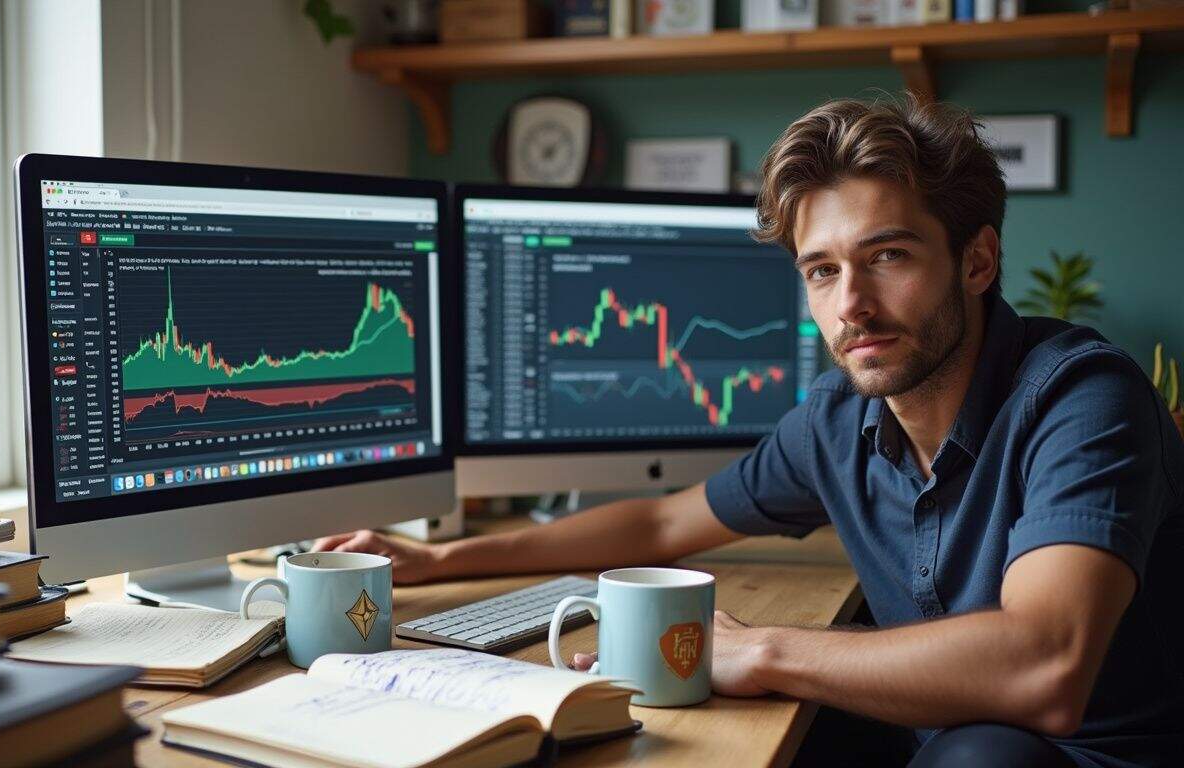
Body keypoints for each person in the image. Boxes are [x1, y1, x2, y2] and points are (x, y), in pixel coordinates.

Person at [314, 95, 1183, 768]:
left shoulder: (1082, 400)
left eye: (889, 256)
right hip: (935, 736)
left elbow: (1047, 666)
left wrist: (762, 649)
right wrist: (439, 562)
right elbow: (660, 525)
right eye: (822, 270)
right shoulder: (838, 421)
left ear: (978, 260)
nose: (853, 305)